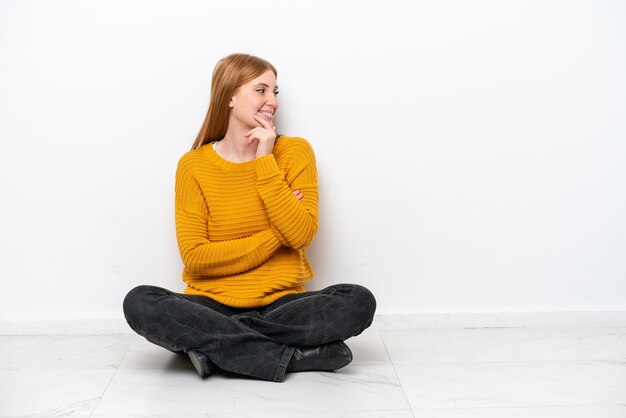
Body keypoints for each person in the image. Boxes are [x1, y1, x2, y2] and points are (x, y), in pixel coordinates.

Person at [123, 53, 376, 382]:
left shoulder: (295, 151)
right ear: (229, 95)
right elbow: (196, 258)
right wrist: (276, 233)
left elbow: (300, 235)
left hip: (283, 305)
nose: (272, 100)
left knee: (357, 300)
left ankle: (215, 350)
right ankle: (291, 356)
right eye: (261, 90)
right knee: (140, 302)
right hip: (209, 304)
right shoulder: (193, 166)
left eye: (275, 92)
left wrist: (265, 161)